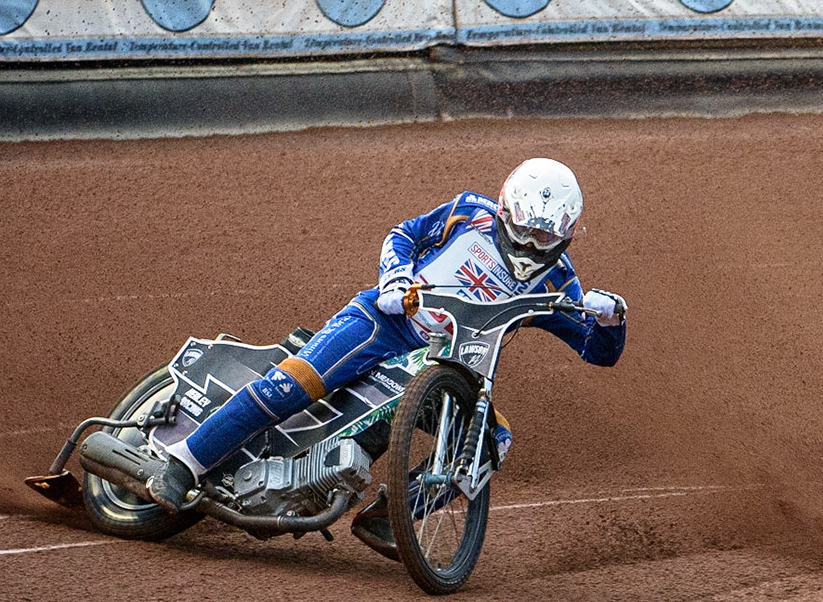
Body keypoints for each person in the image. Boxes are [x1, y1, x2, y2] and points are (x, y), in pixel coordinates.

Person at [142, 158, 629, 541]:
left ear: (567, 232)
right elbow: (404, 234)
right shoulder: (469, 211)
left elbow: (598, 352)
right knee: (292, 385)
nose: (529, 241)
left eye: (544, 235)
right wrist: (393, 278)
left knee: (490, 442)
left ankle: (389, 517)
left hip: (452, 368)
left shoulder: (562, 285)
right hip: (387, 320)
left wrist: (612, 320)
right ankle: (182, 463)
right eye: (523, 226)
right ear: (505, 208)